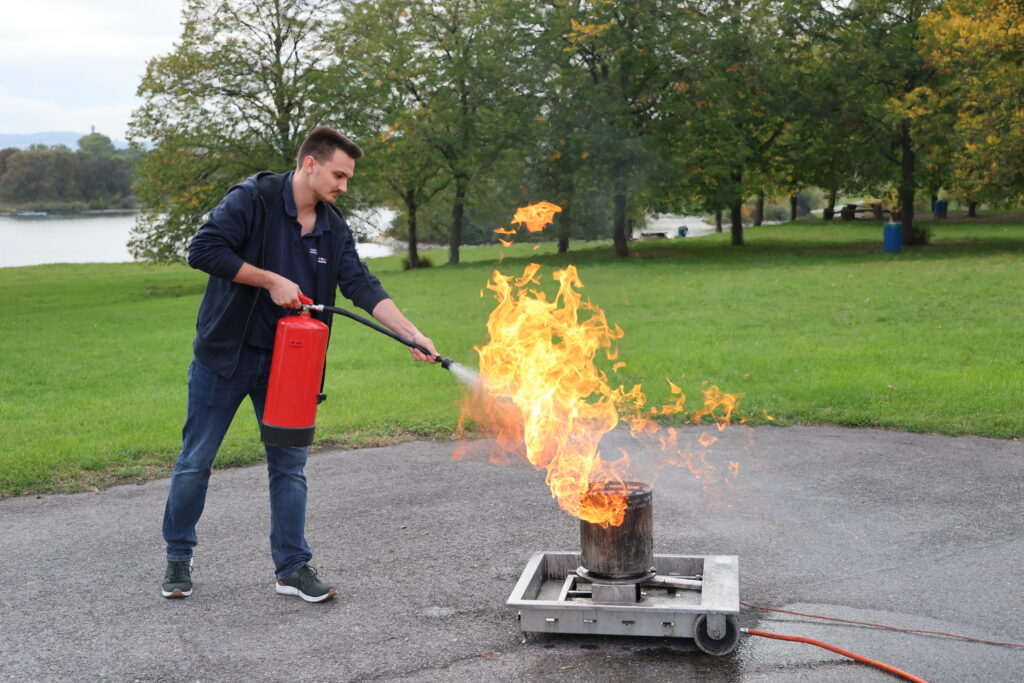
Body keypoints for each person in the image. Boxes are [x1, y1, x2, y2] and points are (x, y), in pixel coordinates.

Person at [161, 126, 438, 603]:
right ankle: (178, 557)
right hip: (224, 357)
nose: (343, 187)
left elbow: (362, 284)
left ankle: (292, 568)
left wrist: (409, 333)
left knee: (289, 466)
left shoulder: (332, 225)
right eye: (338, 175)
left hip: (290, 368)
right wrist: (270, 280)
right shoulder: (254, 199)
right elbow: (202, 250)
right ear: (310, 163)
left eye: (348, 178)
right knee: (196, 461)